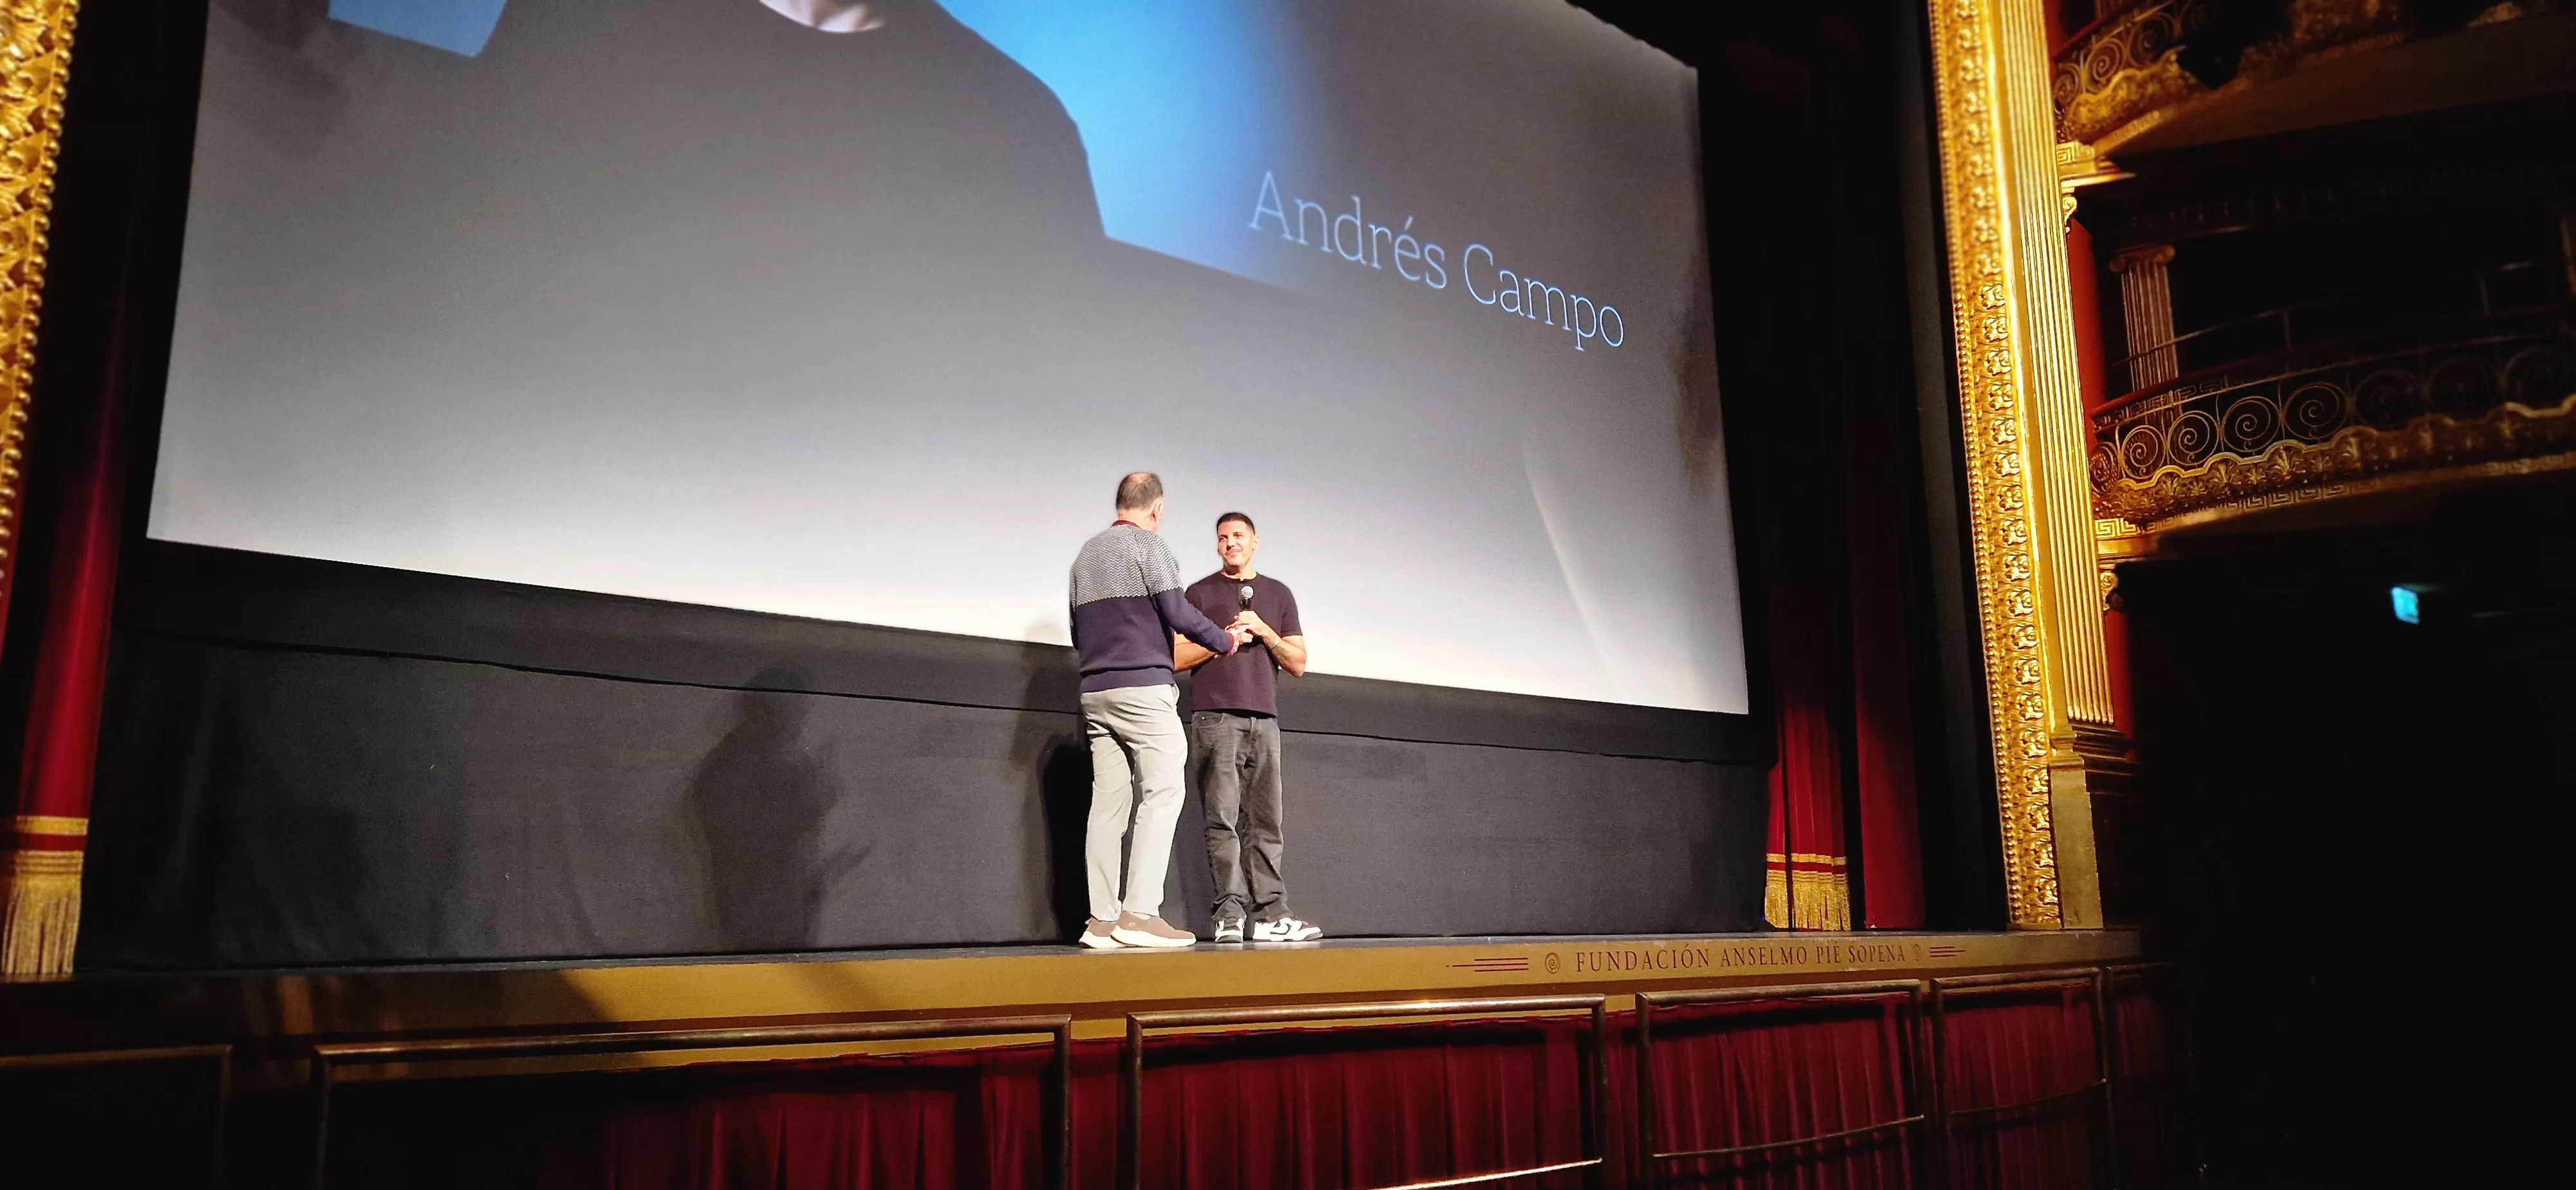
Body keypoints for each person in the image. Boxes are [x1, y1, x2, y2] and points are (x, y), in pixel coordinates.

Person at [1068, 473, 1250, 949]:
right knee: (1164, 791)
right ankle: (1140, 914)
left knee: (1108, 803)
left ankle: (1101, 922)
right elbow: (1179, 613)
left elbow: (1076, 630)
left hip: (1094, 690)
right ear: (1157, 509)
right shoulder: (1150, 548)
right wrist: (1225, 640)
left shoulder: (1085, 556)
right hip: (1142, 688)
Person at [1175, 513, 1322, 943]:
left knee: (1265, 823)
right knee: (1221, 819)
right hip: (1216, 718)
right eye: (1222, 538)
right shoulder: (1198, 594)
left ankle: (1273, 915)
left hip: (1265, 720)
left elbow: (1297, 662)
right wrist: (1221, 638)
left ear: (1255, 541)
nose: (1230, 543)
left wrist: (1264, 630)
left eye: (1238, 536)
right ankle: (1228, 915)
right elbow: (1175, 657)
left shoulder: (1278, 595)